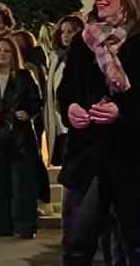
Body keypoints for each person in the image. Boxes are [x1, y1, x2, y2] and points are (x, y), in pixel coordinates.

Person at [58, 0, 140, 266]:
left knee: (135, 246)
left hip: (135, 159)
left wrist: (122, 111)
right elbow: (67, 89)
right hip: (88, 156)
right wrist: (71, 108)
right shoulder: (83, 42)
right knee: (76, 244)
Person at [0, 36, 42, 238]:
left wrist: (27, 113)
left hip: (19, 137)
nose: (1, 54)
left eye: (6, 51)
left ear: (14, 54)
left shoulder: (24, 76)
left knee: (22, 185)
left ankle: (25, 226)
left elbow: (36, 100)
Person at [10, 28, 54, 217]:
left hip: (29, 120)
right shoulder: (36, 63)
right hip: (31, 118)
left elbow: (34, 95)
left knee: (33, 161)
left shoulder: (28, 67)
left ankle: (42, 199)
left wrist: (28, 112)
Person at [45, 16, 84, 167]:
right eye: (63, 32)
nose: (65, 35)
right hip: (59, 124)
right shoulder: (57, 58)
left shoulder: (81, 59)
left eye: (71, 31)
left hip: (74, 122)